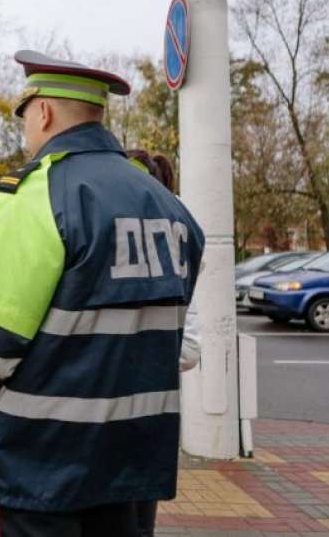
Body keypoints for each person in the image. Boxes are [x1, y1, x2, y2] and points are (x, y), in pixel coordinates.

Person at [0, 50, 205, 537]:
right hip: (133, 467)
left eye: (24, 117)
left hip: (40, 467)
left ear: (42, 111)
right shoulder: (170, 207)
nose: (25, 131)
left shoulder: (33, 195)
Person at [127, 149, 202, 537]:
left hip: (128, 424)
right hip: (149, 424)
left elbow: (189, 347)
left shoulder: (178, 238)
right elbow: (189, 349)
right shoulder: (180, 236)